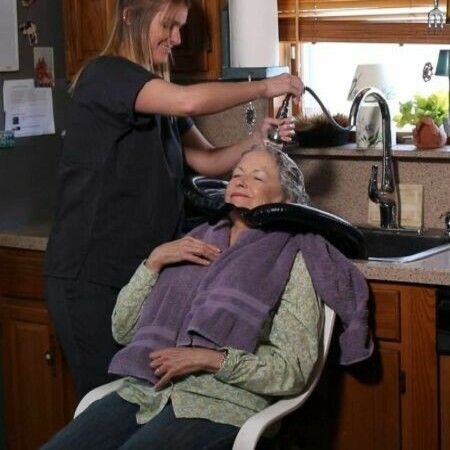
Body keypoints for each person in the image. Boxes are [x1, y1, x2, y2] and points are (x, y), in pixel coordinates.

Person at [44, 0, 304, 397]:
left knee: (139, 403)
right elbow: (188, 100)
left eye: (180, 27)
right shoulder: (105, 76)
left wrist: (257, 140)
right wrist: (267, 86)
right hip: (90, 276)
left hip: (137, 275)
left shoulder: (155, 96)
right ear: (131, 16)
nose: (177, 38)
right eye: (168, 25)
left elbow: (206, 159)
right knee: (106, 404)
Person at [42, 146, 372, 450]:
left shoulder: (294, 258)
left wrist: (208, 358)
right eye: (237, 174)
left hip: (221, 404)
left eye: (257, 177)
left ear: (287, 198)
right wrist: (153, 262)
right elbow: (124, 332)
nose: (241, 181)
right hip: (144, 392)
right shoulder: (192, 243)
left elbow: (291, 371)